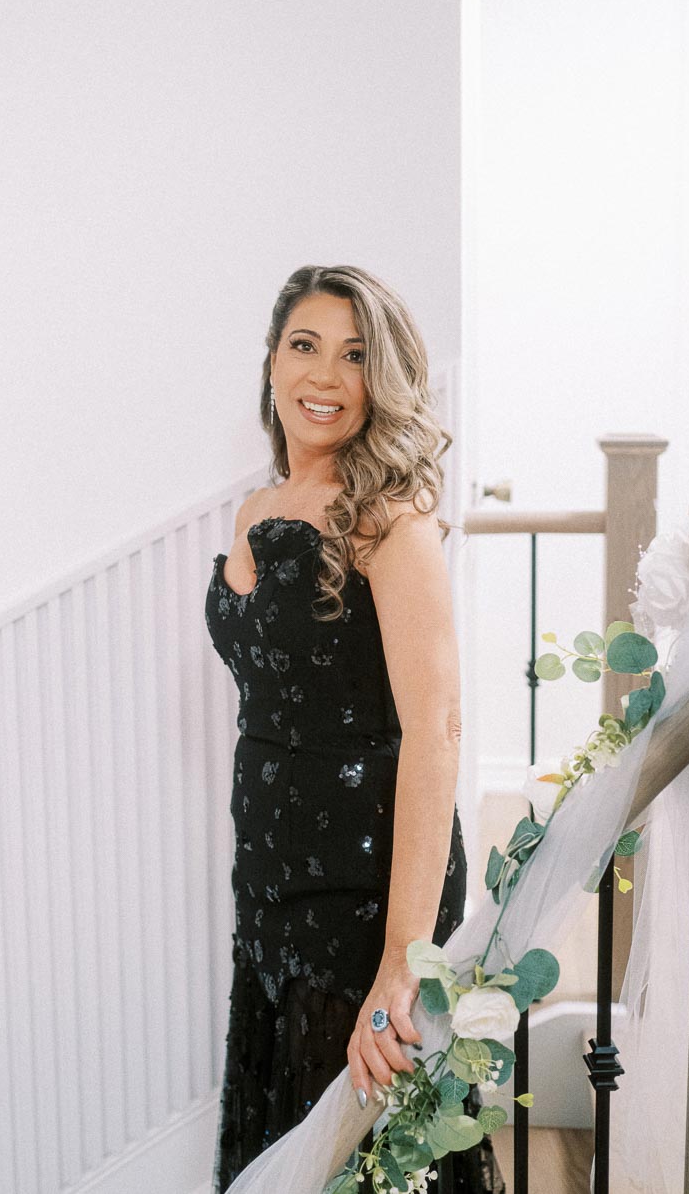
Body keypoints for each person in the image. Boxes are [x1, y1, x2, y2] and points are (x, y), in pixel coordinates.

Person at [204, 265, 505, 1193]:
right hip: (271, 893)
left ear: (384, 382)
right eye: (305, 346)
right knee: (295, 1145)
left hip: (364, 900)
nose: (324, 375)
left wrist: (404, 965)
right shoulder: (258, 509)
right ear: (270, 363)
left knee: (371, 1157)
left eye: (355, 355)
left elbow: (439, 729)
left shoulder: (388, 517)